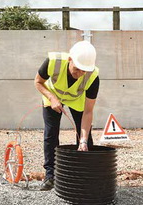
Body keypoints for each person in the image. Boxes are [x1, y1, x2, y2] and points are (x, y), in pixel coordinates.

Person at [34, 41, 100, 191]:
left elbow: (88, 112)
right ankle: (50, 176)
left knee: (85, 137)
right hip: (52, 95)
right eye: (77, 69)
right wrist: (52, 98)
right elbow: (38, 82)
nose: (80, 75)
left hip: (76, 99)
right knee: (51, 133)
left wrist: (82, 140)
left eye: (84, 71)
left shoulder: (93, 76)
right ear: (70, 59)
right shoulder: (53, 61)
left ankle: (85, 175)